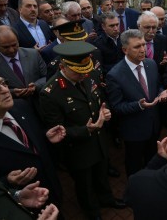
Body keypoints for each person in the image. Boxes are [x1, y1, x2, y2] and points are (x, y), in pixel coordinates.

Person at [39, 42, 126, 220]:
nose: (83, 75)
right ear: (63, 67)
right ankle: (92, 211)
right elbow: (57, 131)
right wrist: (84, 130)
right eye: (77, 72)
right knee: (84, 184)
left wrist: (105, 111)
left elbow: (100, 99)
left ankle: (107, 199)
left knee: (102, 176)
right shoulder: (50, 93)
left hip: (99, 140)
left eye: (85, 70)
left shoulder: (88, 74)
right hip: (78, 149)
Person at [0, 75, 65, 216]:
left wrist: (46, 136)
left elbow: (34, 138)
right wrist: (8, 181)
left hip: (51, 186)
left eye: (3, 83)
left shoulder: (21, 105)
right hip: (24, 206)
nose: (5, 90)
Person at [106, 29, 167, 176]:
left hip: (154, 126)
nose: (143, 49)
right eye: (137, 47)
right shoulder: (114, 75)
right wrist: (139, 105)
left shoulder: (151, 64)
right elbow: (116, 107)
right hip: (134, 131)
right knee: (134, 165)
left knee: (152, 161)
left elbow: (157, 85)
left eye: (143, 45)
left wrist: (162, 92)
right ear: (124, 49)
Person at [0, 25, 46, 100]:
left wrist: (36, 86)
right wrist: (12, 92)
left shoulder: (33, 54)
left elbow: (47, 76)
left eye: (14, 45)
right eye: (6, 47)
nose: (11, 50)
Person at [92, 12, 124, 76]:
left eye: (117, 25)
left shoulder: (125, 39)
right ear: (103, 27)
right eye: (112, 26)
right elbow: (100, 67)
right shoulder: (98, 44)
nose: (115, 28)